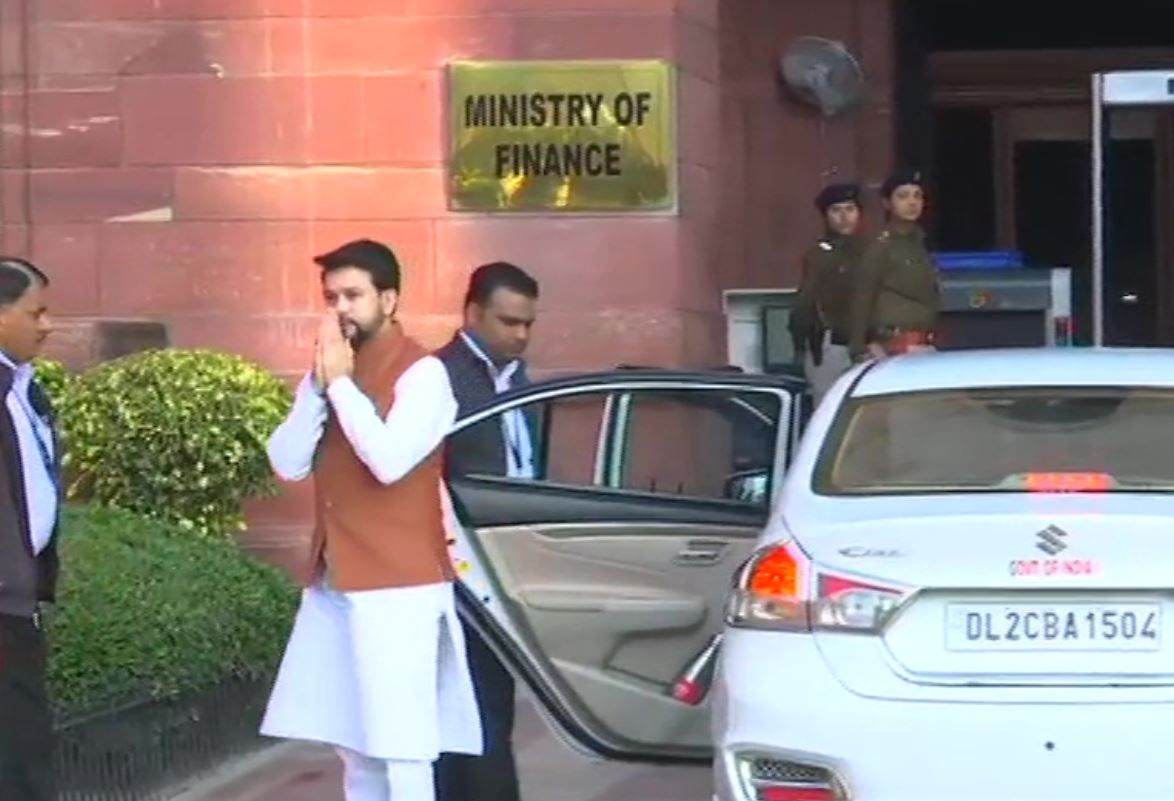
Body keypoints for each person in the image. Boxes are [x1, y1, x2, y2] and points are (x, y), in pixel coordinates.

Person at [261, 239, 482, 801]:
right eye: (331, 296)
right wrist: (316, 387)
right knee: (353, 744)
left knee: (403, 746)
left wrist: (340, 385)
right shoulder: (331, 371)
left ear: (389, 298)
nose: (340, 308)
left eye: (353, 295)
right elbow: (286, 462)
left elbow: (388, 461)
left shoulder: (424, 374)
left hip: (400, 582)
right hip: (336, 579)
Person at [433, 261, 539, 801]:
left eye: (527, 324)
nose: (520, 335)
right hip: (459, 563)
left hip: (511, 560)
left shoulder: (518, 379)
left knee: (494, 698)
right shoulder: (439, 376)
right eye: (508, 322)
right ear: (472, 314)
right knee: (467, 705)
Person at [0, 257, 59, 801]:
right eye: (34, 312)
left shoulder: (26, 388)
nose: (46, 325)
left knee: (24, 748)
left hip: (21, 602)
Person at [849, 169, 941, 361]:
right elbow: (863, 296)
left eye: (918, 196)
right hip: (892, 344)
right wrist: (859, 348)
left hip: (924, 342)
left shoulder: (920, 242)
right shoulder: (882, 245)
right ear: (887, 203)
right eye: (903, 196)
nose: (912, 203)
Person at [789, 182, 865, 402]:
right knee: (829, 405)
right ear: (826, 216)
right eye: (836, 210)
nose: (844, 217)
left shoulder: (872, 252)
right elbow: (805, 303)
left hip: (869, 343)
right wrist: (800, 346)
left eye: (850, 209)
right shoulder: (818, 255)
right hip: (829, 343)